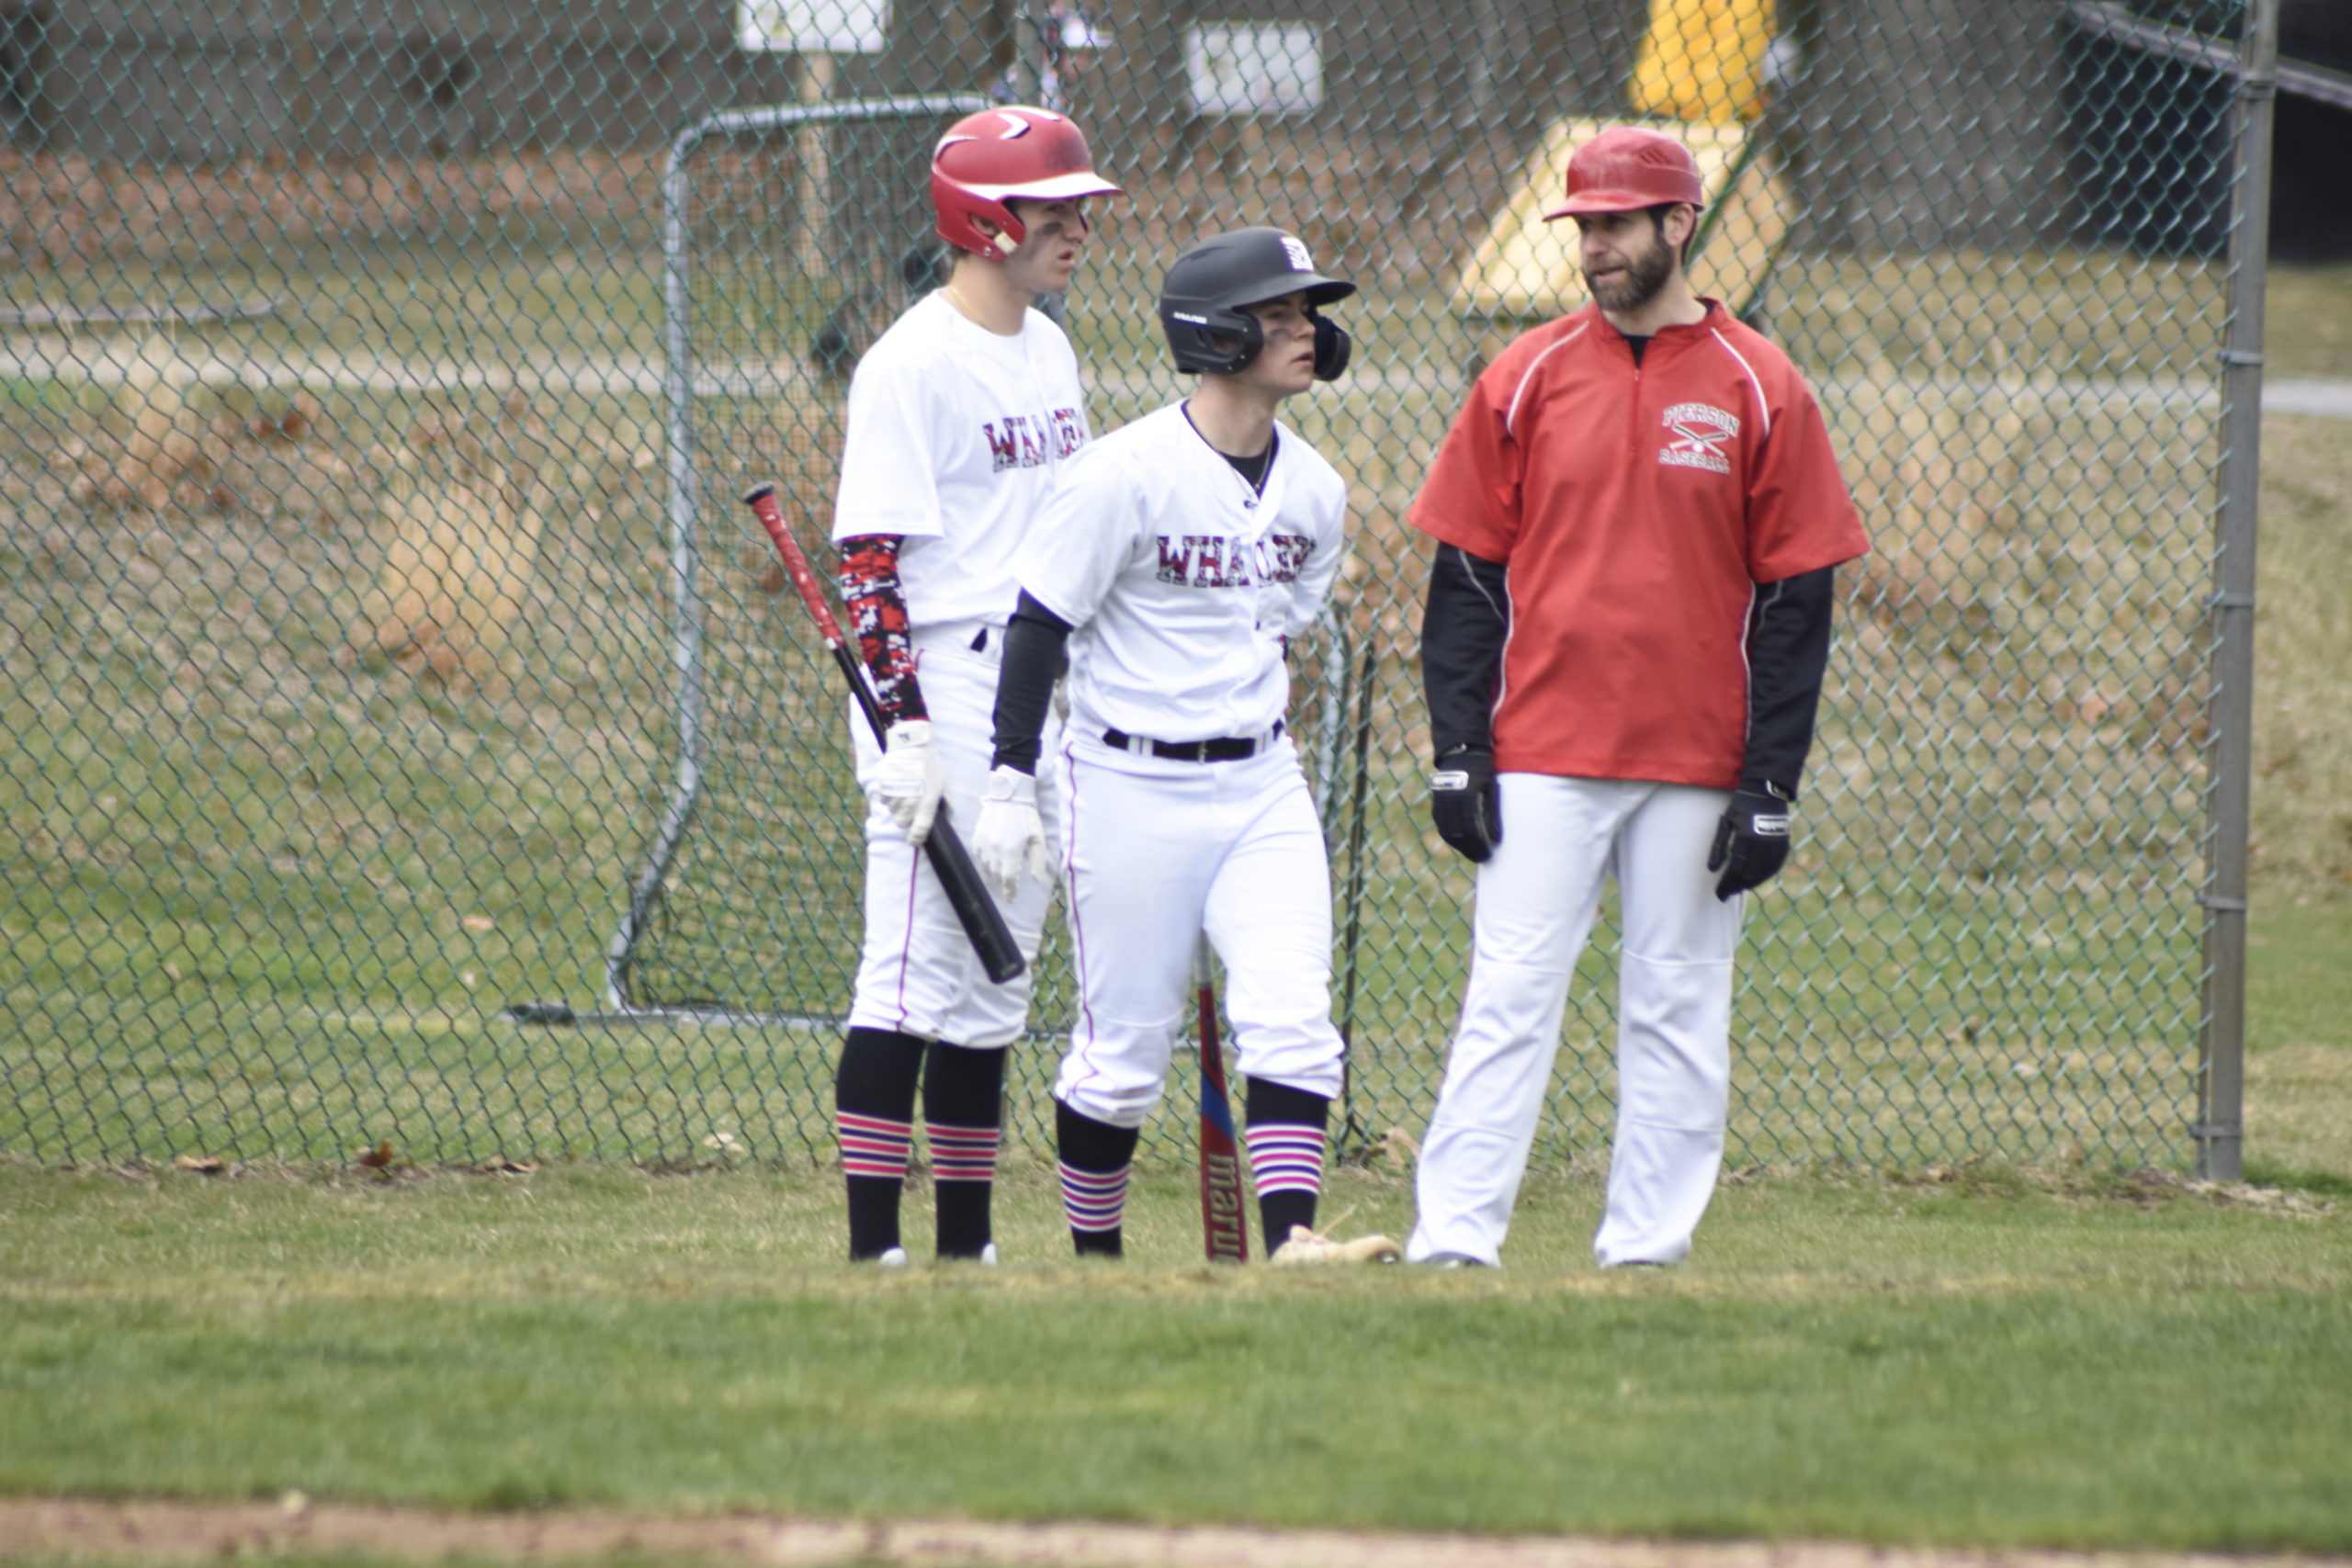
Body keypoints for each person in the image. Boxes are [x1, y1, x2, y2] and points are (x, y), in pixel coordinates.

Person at [1402, 127, 1870, 1269]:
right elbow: (1463, 584)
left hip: (1695, 764)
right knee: (1508, 999)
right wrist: (1459, 751)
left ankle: (1643, 1253)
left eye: (1616, 225)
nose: (1595, 249)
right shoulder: (1522, 376)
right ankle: (1454, 1244)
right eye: (1583, 229)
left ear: (1679, 226)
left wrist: (1769, 785)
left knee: (1677, 1012)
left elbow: (1796, 606)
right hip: (1543, 751)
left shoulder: (1761, 384)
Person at [973, 227, 1398, 1266]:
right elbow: (1038, 626)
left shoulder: (1315, 491)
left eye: (1310, 313)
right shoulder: (1119, 474)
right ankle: (1097, 1262)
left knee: (1294, 1023)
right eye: (1280, 314)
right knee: (1121, 1060)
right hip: (1125, 783)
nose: (1306, 330)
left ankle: (1293, 1243)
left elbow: (1281, 619)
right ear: (1213, 336)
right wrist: (1007, 780)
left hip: (1259, 780)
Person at [825, 105, 1121, 1266]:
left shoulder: (1048, 347)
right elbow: (868, 567)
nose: (1076, 228)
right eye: (1055, 209)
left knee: (1001, 978)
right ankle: (870, 1251)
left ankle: (965, 1249)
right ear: (985, 217)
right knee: (908, 970)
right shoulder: (910, 364)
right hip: (939, 686)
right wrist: (900, 732)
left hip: (1038, 690)